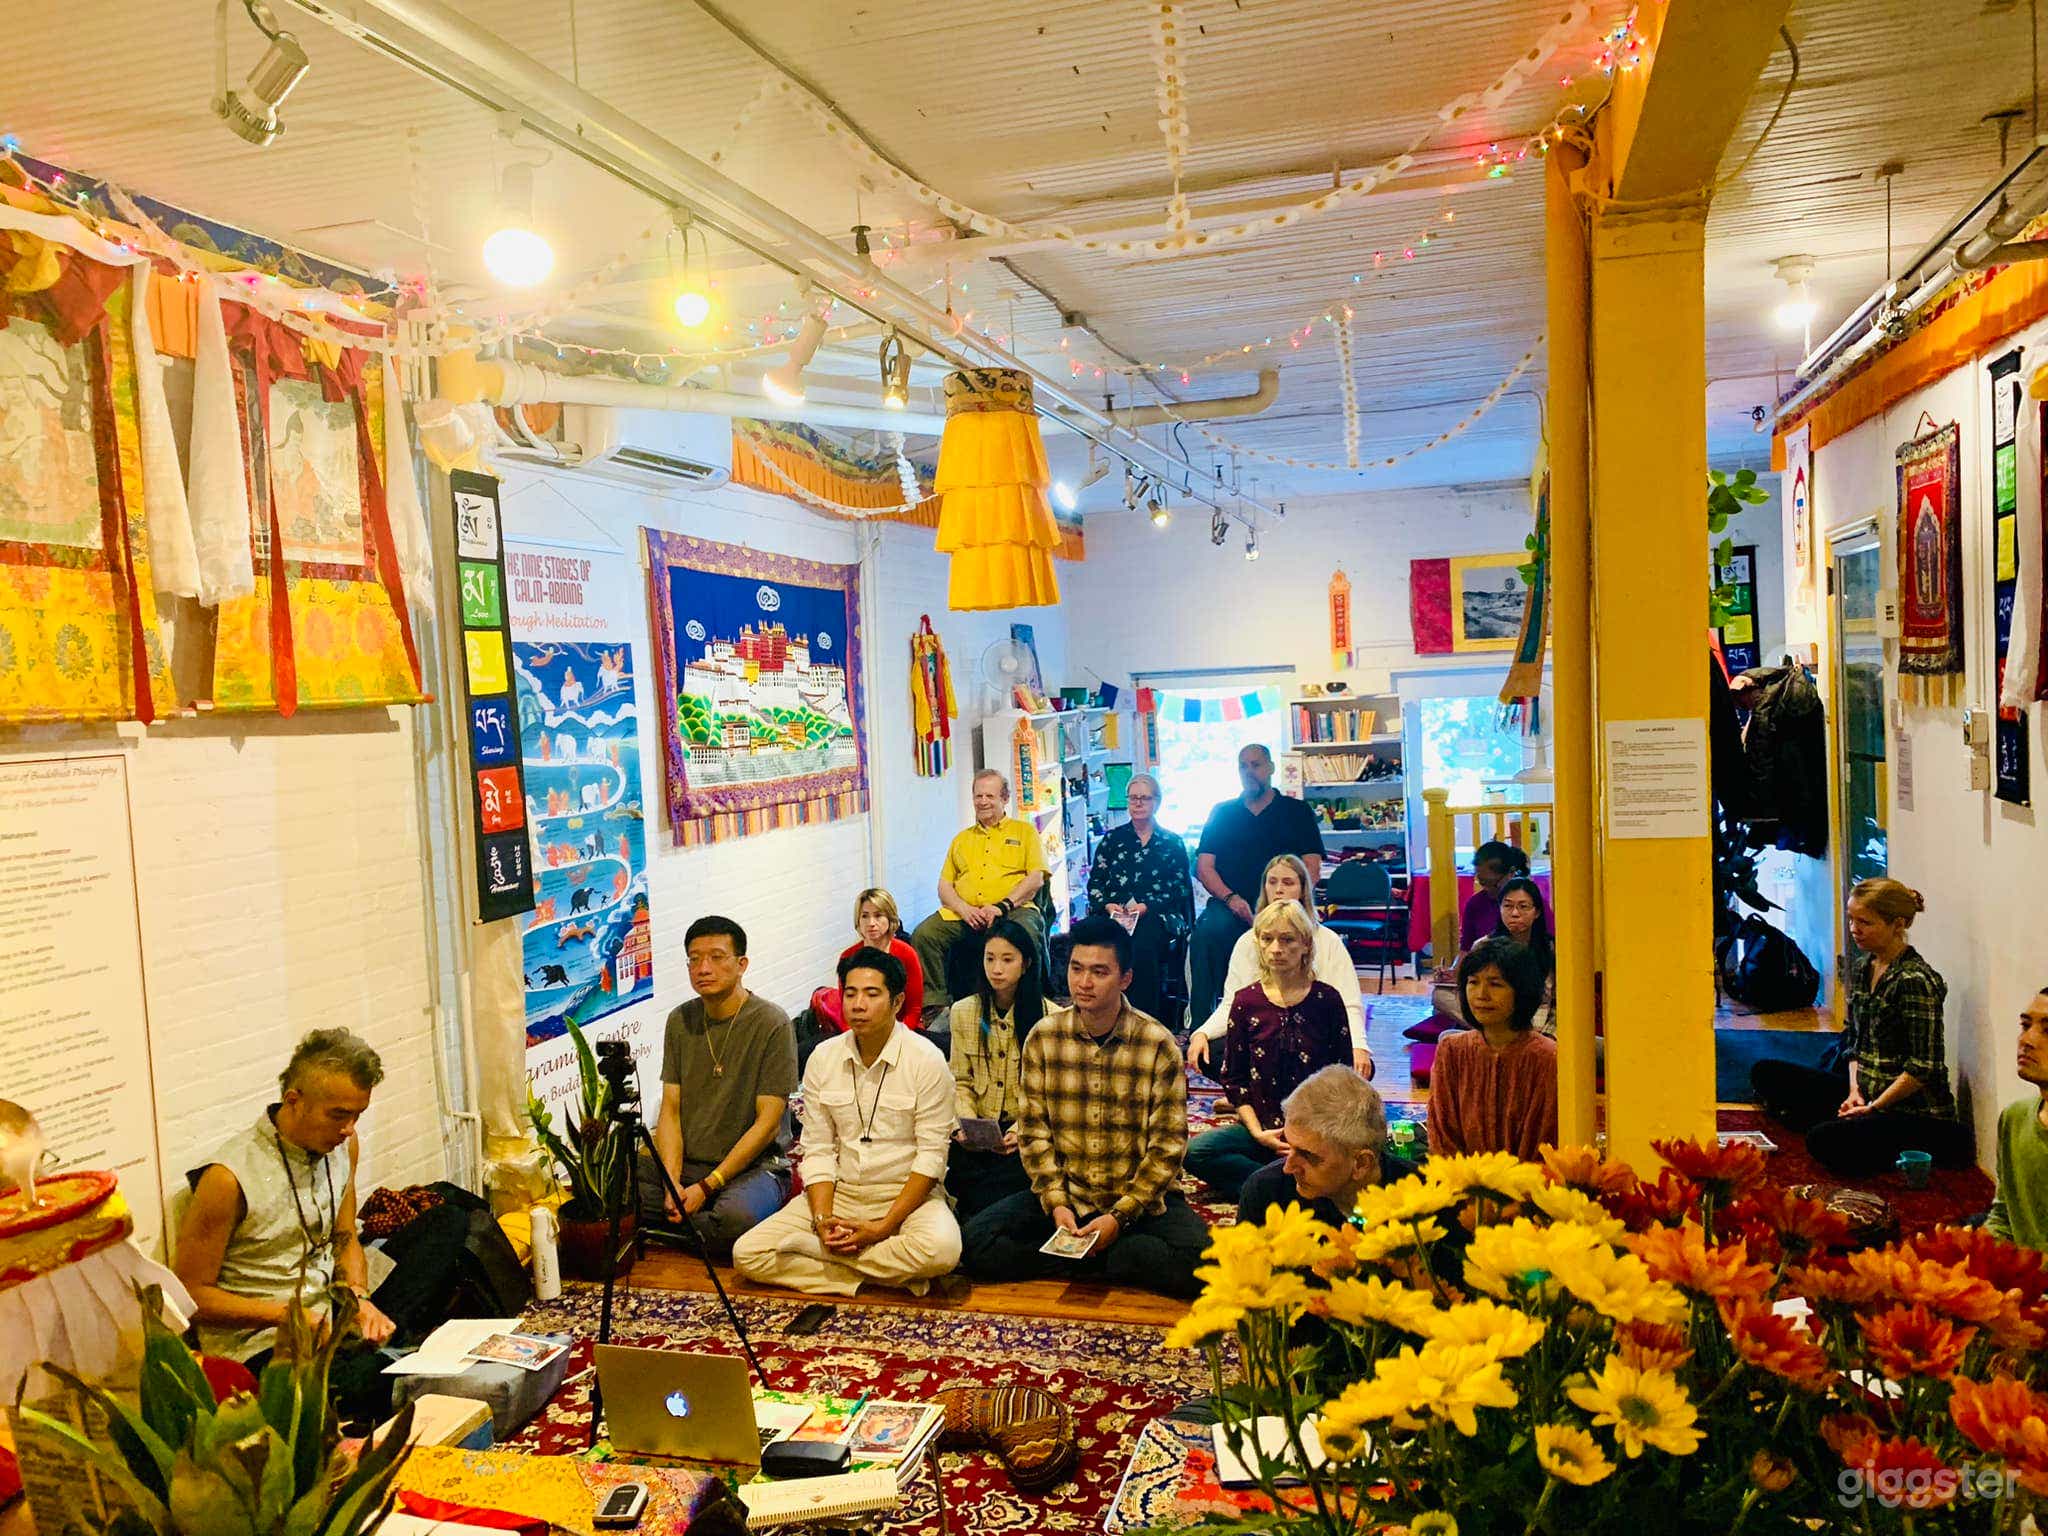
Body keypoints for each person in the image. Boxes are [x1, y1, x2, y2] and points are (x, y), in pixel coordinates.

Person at [175, 1030, 467, 1420]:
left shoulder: (344, 1145)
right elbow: (189, 1297)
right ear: (293, 1101)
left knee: (449, 1221)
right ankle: (389, 1362)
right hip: (269, 1342)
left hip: (333, 1308)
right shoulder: (228, 1178)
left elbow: (345, 1236)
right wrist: (286, 1315)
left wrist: (359, 1299)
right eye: (338, 1115)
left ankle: (383, 1348)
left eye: (357, 1115)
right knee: (361, 1385)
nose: (348, 1128)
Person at [959, 915, 1207, 1297]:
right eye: (1077, 969)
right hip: (1068, 1198)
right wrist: (1057, 1204)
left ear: (1125, 978)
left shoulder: (1156, 1043)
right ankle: (1109, 1261)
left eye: (1099, 972)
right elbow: (1034, 1132)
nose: (1084, 983)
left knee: (1202, 1268)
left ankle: (1100, 1254)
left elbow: (1168, 1148)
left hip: (1135, 1203)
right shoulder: (1044, 1038)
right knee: (976, 1243)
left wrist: (1119, 1217)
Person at [733, 949, 960, 1296]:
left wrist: (883, 1227)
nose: (857, 1004)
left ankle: (816, 1257)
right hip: (841, 1193)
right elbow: (818, 1150)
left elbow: (932, 1159)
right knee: (748, 1255)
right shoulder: (824, 1057)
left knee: (942, 1251)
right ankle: (880, 1272)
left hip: (906, 1197)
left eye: (871, 994)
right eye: (850, 993)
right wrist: (823, 1221)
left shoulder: (926, 1059)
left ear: (897, 1001)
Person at [1750, 879, 1970, 1176]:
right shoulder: (1863, 967)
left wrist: (1874, 1107)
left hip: (1908, 1109)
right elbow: (1854, 1042)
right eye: (1852, 919)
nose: (1854, 929)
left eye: (1865, 922)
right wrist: (1854, 1091)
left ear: (1898, 924)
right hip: (1865, 1092)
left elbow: (1924, 1067)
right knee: (1766, 1072)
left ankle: (1852, 1127)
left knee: (1822, 1141)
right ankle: (1846, 1120)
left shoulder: (1914, 980)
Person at [644, 916, 798, 1256]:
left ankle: (674, 1225)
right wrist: (672, 1180)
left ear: (741, 964)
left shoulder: (772, 1023)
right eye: (695, 959)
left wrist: (707, 1185)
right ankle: (692, 1223)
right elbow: (670, 1109)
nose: (703, 968)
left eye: (716, 957)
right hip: (688, 1164)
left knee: (734, 1219)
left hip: (753, 1168)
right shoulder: (680, 1020)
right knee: (603, 1188)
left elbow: (768, 1123)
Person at [1186, 900, 1353, 1200]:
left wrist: (1314, 1137)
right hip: (1262, 1128)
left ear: (1305, 944)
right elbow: (1235, 1079)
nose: (1276, 948)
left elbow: (1344, 1076)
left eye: (1287, 939)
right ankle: (1285, 1187)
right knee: (1196, 1152)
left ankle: (1273, 1184)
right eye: (1267, 939)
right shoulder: (1245, 1002)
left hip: (1316, 1132)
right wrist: (1256, 1131)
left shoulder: (1327, 1000)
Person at [1186, 855, 1372, 1077]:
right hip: (1262, 1036)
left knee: (1357, 1065)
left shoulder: (1327, 940)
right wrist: (1202, 1033)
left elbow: (1349, 1003)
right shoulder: (1248, 941)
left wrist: (1359, 1046)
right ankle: (1256, 1096)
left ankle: (1284, 1097)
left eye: (1288, 883)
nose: (1279, 890)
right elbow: (1231, 1004)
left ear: (1303, 889)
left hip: (1313, 1035)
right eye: (1272, 882)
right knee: (1207, 1053)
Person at [1190, 745, 1325, 1024]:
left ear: (1271, 768)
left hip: (1284, 905)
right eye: (1243, 766)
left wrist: (1285, 902)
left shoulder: (1297, 811)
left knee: (1300, 936)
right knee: (1205, 935)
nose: (1249, 772)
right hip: (1230, 904)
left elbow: (1311, 868)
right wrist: (1232, 900)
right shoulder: (1222, 813)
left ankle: (1299, 1018)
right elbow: (1205, 867)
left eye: (1256, 765)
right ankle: (1203, 1024)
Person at [907, 770, 1048, 1014]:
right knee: (924, 934)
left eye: (989, 796)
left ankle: (1031, 1001)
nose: (982, 801)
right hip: (965, 912)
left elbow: (1036, 879)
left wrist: (1001, 906)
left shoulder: (1025, 832)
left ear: (1004, 799)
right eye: (978, 795)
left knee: (1027, 932)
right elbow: (944, 886)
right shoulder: (961, 839)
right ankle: (936, 1008)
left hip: (1012, 910)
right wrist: (964, 909)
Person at [945, 919, 1046, 1220]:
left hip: (1023, 1132)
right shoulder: (964, 1011)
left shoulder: (1049, 1018)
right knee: (949, 1164)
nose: (997, 969)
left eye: (1007, 959)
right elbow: (960, 1079)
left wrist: (1020, 1131)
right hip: (978, 1130)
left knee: (1019, 1174)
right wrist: (965, 1124)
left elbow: (1045, 1094)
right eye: (990, 959)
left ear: (1025, 964)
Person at [1426, 936, 1558, 1160]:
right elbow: (1441, 1134)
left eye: (1495, 984)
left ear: (1522, 991)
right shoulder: (1452, 1050)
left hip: (1527, 1189)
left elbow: (1542, 1145)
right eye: (1473, 982)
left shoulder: (1547, 1057)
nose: (1481, 995)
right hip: (1459, 1185)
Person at [1236, 1065, 1416, 1229]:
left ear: (1361, 1163)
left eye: (1307, 1156)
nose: (1288, 1167)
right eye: (1289, 1146)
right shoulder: (1265, 1193)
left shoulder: (1426, 1197)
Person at [1086, 773, 1195, 1023]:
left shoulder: (1171, 842)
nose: (1138, 803)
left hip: (1157, 915)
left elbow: (1180, 888)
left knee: (1142, 940)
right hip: (1114, 914)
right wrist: (1107, 904)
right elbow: (1094, 884)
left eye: (1144, 798)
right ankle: (1102, 1013)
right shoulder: (1112, 840)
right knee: (1098, 938)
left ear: (1156, 802)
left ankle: (1142, 1019)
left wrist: (1147, 906)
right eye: (1133, 798)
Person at [1987, 987, 2048, 1252]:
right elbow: (2003, 1216)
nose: (2027, 1040)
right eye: (2025, 1025)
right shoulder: (2014, 1117)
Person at [837, 887, 927, 1031]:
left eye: (878, 916)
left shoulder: (907, 954)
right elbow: (845, 1010)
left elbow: (914, 1009)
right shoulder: (848, 956)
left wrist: (897, 1038)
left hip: (901, 1030)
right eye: (865, 916)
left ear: (890, 918)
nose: (871, 923)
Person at [1495, 876, 1556, 1036]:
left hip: (1542, 1031)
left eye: (1523, 906)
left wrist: (1548, 1035)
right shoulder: (1484, 947)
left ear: (1537, 912)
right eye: (1507, 906)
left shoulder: (1552, 948)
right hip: (1498, 1030)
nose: (1515, 913)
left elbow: (1561, 1002)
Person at [1459, 840, 1530, 951]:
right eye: (1482, 883)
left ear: (1511, 873)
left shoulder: (1531, 903)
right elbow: (1466, 949)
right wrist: (1454, 968)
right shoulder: (1475, 904)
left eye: (1493, 884)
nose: (1487, 890)